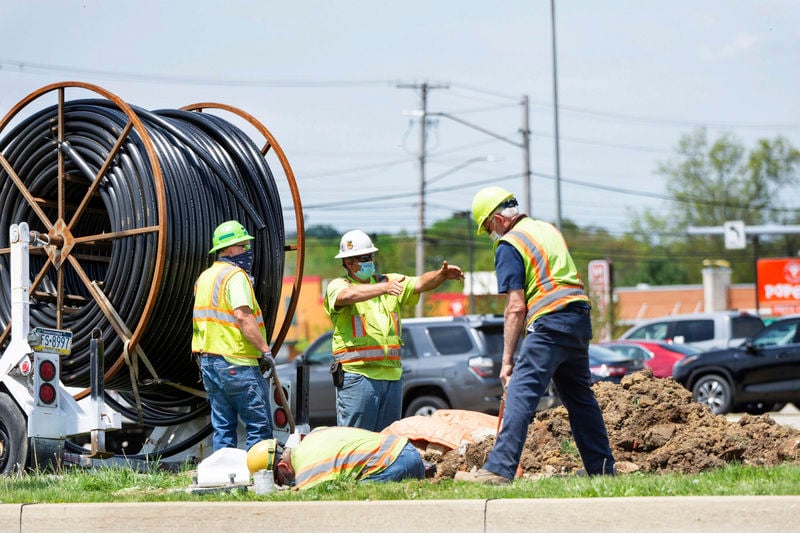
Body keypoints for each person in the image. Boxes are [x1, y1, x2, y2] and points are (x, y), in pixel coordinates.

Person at [455, 187, 615, 484]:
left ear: (499, 219)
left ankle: (499, 470)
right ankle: (601, 467)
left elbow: (516, 306)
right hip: (578, 317)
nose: (491, 233)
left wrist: (506, 362)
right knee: (580, 398)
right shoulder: (546, 229)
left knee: (519, 394)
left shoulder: (509, 244)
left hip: (549, 323)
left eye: (488, 227)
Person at [324, 229, 464, 431]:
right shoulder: (339, 285)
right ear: (348, 262)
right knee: (355, 439)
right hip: (358, 375)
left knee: (388, 439)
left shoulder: (388, 282)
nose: (369, 261)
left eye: (371, 256)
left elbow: (420, 282)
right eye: (364, 258)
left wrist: (441, 275)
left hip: (391, 376)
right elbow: (346, 296)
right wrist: (383, 289)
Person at [192, 220, 275, 451]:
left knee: (223, 426)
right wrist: (264, 350)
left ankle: (224, 478)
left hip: (209, 361)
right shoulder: (235, 276)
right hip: (237, 362)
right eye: (243, 246)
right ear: (229, 250)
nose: (248, 251)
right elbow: (242, 316)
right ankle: (259, 478)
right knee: (258, 425)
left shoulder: (205, 277)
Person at [271, 426, 425, 490]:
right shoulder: (314, 434)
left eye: (279, 480)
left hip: (394, 464)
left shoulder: (306, 469)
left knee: (353, 498)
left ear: (283, 467)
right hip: (408, 451)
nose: (283, 483)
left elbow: (310, 496)